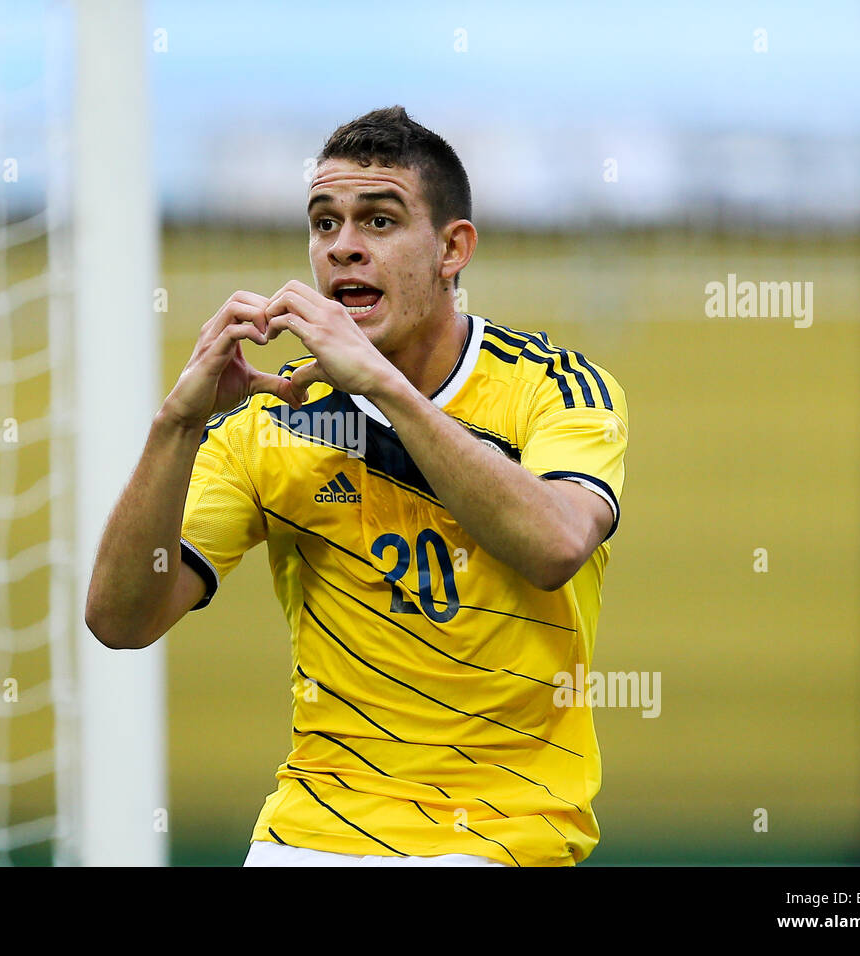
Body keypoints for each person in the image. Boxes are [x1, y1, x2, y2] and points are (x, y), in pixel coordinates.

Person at [85, 105, 629, 867]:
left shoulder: (555, 389)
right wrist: (177, 423)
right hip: (310, 834)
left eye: (378, 221)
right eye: (324, 222)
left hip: (502, 832)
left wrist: (382, 387)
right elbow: (120, 619)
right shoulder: (272, 420)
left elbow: (557, 544)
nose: (343, 247)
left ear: (452, 248)